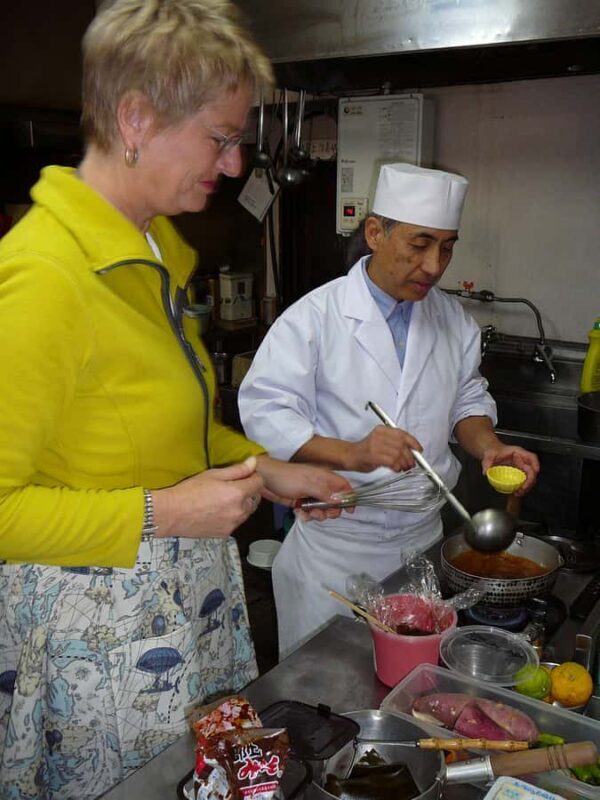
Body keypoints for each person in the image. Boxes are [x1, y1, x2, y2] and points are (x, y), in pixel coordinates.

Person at [0, 1, 351, 797]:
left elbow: (170, 431)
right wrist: (165, 514)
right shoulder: (45, 278)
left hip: (187, 603)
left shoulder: (151, 252)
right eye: (220, 138)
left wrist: (264, 471)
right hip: (105, 648)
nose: (232, 166)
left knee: (216, 786)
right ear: (136, 117)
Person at [238, 162, 540, 658]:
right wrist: (353, 453)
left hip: (421, 545)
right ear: (376, 233)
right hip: (335, 548)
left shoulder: (452, 321)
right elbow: (266, 411)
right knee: (327, 694)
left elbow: (467, 400)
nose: (434, 266)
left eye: (447, 247)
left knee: (403, 685)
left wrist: (490, 448)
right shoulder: (315, 317)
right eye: (419, 245)